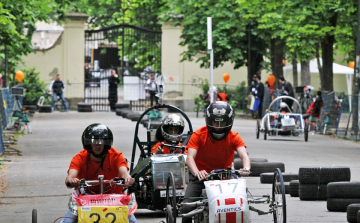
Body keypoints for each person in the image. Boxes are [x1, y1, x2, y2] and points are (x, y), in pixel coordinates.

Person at [182, 101, 251, 223]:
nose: (219, 126)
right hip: (201, 177)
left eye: (222, 122)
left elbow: (243, 154)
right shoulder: (198, 135)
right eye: (215, 122)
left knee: (241, 202)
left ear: (229, 122)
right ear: (209, 121)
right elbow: (190, 158)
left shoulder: (234, 137)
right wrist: (197, 172)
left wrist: (246, 167)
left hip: (225, 177)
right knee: (186, 208)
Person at [61, 123, 137, 223]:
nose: (98, 145)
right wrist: (72, 179)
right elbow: (70, 176)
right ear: (88, 143)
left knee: (133, 221)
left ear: (107, 143)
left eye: (101, 141)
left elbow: (124, 172)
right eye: (94, 141)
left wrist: (127, 178)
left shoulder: (116, 155)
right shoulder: (79, 158)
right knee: (68, 222)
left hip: (114, 199)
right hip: (84, 198)